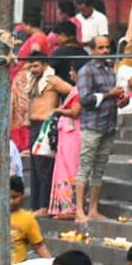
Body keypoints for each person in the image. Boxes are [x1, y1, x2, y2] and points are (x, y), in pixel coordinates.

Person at [74, 36, 127, 222]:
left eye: (107, 47)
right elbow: (85, 99)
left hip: (109, 124)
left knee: (99, 168)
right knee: (85, 166)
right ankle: (79, 210)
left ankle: (93, 209)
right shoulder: (86, 71)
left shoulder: (111, 70)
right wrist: (108, 95)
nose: (105, 51)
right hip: (92, 125)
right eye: (101, 48)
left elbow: (115, 98)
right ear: (93, 50)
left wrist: (122, 99)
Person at [23, 52, 74, 214]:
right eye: (31, 66)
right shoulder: (33, 80)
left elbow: (73, 93)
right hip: (34, 125)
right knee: (35, 167)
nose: (33, 69)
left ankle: (44, 206)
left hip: (46, 126)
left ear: (45, 64)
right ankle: (36, 205)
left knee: (43, 166)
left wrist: (60, 111)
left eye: (36, 65)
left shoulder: (52, 80)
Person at [0, 177, 50, 265]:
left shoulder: (28, 219)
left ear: (22, 196)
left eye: (15, 197)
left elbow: (39, 246)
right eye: (7, 196)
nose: (11, 201)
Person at [47, 58, 84, 217]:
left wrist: (58, 110)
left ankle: (71, 208)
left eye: (72, 70)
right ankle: (66, 207)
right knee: (64, 168)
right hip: (67, 135)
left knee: (70, 169)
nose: (70, 73)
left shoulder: (80, 90)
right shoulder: (77, 89)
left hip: (72, 135)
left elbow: (75, 112)